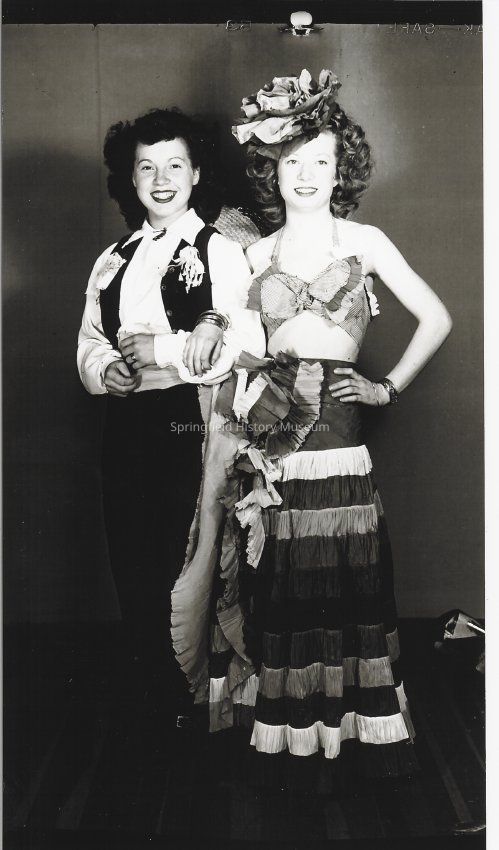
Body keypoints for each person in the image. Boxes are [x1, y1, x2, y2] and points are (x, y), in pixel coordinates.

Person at [171, 69, 452, 787]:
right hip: (275, 451)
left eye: (320, 161)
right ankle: (291, 735)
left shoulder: (366, 241)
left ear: (339, 170)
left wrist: (386, 387)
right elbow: (231, 349)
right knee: (283, 589)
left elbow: (437, 318)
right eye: (292, 161)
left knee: (347, 586)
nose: (305, 174)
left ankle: (350, 728)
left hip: (343, 449)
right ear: (273, 169)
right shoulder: (252, 252)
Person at [77, 107, 265, 721]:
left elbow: (250, 344)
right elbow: (89, 341)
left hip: (190, 421)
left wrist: (165, 351)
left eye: (174, 166)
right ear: (129, 178)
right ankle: (148, 689)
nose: (161, 180)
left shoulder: (221, 250)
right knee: (128, 549)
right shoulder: (111, 258)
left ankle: (189, 693)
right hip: (126, 424)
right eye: (146, 168)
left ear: (196, 173)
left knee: (182, 554)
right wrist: (105, 370)